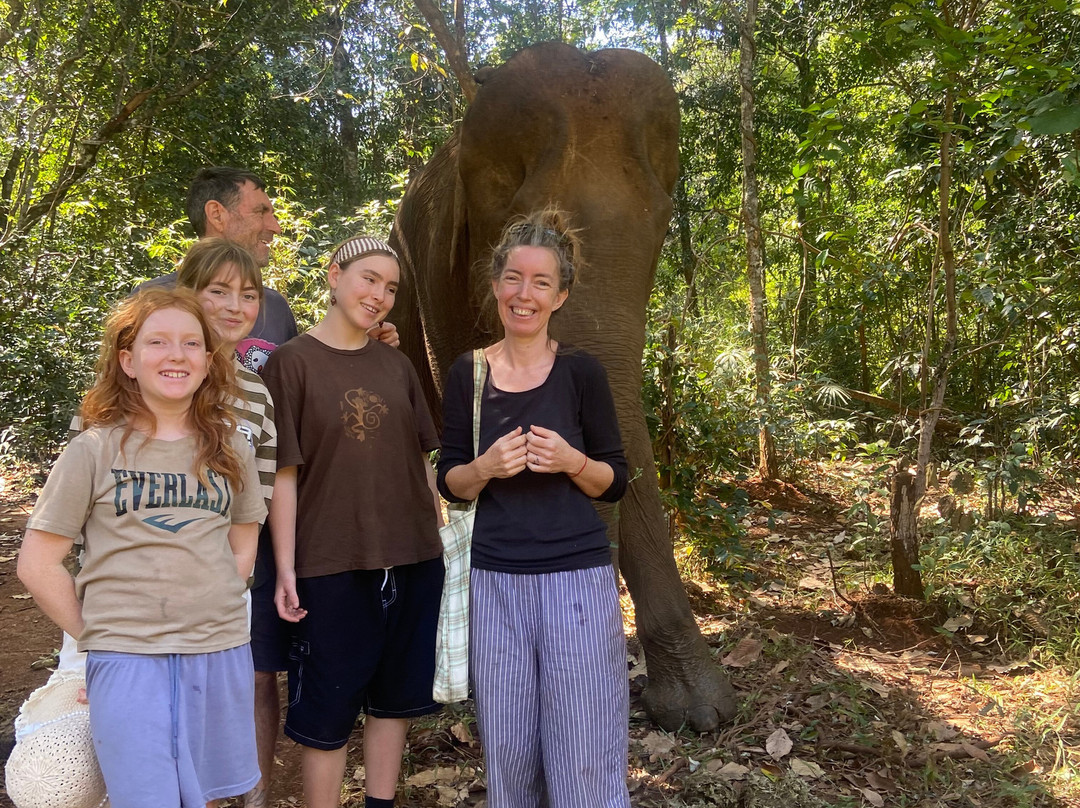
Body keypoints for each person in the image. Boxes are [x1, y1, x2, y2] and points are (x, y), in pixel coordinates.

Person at [17, 287, 267, 808]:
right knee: (146, 797)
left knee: (206, 793)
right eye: (158, 342)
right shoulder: (94, 448)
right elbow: (37, 563)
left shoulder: (229, 447)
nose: (176, 354)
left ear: (207, 361)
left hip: (217, 650)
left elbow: (244, 538)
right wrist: (98, 638)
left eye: (191, 343)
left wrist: (216, 599)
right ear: (128, 360)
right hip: (128, 658)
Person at [436, 209, 631, 807]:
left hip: (578, 576)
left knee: (585, 739)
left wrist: (572, 461)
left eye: (541, 282)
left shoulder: (581, 373)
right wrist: (486, 467)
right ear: (496, 285)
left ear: (560, 295)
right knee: (510, 746)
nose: (525, 294)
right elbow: (450, 482)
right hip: (495, 579)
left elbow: (615, 481)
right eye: (514, 279)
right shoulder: (469, 372)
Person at [262, 236, 444, 808]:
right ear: (334, 275)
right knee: (328, 709)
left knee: (394, 702)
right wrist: (287, 569)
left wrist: (444, 530)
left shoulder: (396, 364)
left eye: (390, 288)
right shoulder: (289, 364)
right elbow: (282, 475)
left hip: (412, 558)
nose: (379, 295)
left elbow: (421, 460)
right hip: (331, 562)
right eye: (368, 279)